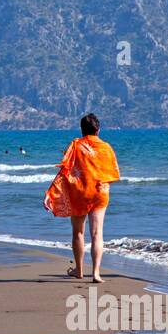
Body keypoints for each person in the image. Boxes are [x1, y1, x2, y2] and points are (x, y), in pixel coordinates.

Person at [44, 113, 121, 283]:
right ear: (98, 130)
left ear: (82, 129)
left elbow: (65, 170)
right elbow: (112, 173)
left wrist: (50, 192)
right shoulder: (106, 147)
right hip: (100, 192)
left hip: (79, 192)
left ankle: (79, 270)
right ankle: (96, 273)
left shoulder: (76, 145)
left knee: (78, 232)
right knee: (97, 233)